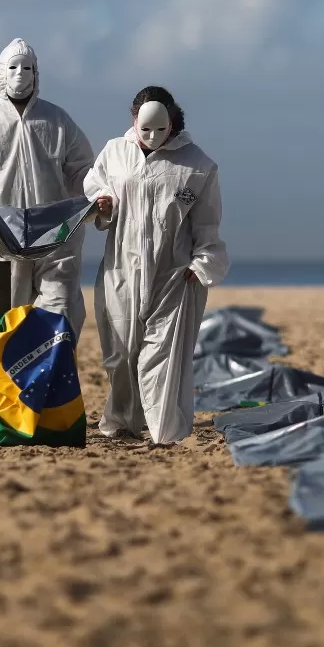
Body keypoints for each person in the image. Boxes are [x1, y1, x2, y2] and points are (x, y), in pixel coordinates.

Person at [84, 86, 229, 445]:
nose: (151, 136)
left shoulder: (197, 165)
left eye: (159, 129)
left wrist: (202, 263)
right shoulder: (115, 153)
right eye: (144, 128)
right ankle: (123, 421)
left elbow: (207, 223)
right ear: (133, 119)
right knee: (120, 353)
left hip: (174, 274)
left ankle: (165, 430)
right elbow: (95, 188)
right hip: (121, 269)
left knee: (161, 356)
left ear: (171, 122)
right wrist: (103, 204)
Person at [0, 38, 94, 336]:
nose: (20, 74)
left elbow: (82, 171)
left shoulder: (57, 121)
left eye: (26, 68)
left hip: (55, 235)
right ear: (1, 72)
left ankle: (51, 366)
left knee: (61, 312)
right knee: (5, 324)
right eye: (13, 67)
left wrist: (96, 195)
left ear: (36, 73)